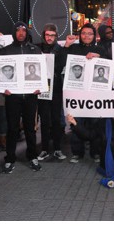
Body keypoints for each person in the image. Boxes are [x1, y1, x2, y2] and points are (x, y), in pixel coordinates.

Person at [0, 21, 43, 173]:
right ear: (14, 33)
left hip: (31, 96)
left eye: (23, 30)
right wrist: (2, 88)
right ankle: (10, 158)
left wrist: (41, 86)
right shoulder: (6, 51)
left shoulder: (35, 50)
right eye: (18, 30)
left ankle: (32, 156)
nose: (21, 33)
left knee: (30, 128)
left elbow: (42, 72)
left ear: (27, 32)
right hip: (12, 96)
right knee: (12, 128)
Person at [61, 23, 107, 163]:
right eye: (84, 33)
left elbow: (109, 65)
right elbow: (60, 63)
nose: (87, 36)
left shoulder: (101, 49)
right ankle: (77, 152)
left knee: (95, 123)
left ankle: (95, 152)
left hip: (94, 94)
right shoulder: (73, 48)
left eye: (90, 33)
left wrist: (99, 57)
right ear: (80, 35)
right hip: (77, 93)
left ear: (94, 36)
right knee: (76, 122)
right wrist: (67, 46)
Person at [35, 23, 66, 161]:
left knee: (56, 120)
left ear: (56, 36)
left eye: (52, 35)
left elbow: (62, 67)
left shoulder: (60, 49)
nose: (49, 38)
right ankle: (44, 149)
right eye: (47, 35)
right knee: (45, 121)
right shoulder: (37, 48)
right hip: (42, 89)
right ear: (43, 35)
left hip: (56, 89)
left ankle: (58, 149)